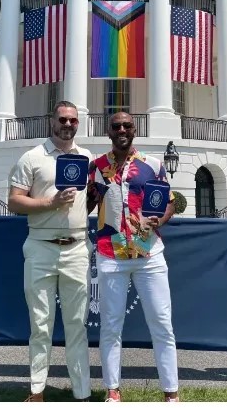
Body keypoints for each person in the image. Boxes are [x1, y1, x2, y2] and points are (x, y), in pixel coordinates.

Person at [87, 112, 180, 402]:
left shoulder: (152, 165)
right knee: (111, 325)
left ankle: (171, 393)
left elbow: (169, 203)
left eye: (127, 126)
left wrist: (159, 221)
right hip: (110, 254)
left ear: (135, 130)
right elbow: (88, 204)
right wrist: (84, 193)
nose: (122, 130)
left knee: (162, 323)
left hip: (148, 251)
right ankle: (113, 390)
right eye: (117, 127)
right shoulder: (97, 167)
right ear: (109, 132)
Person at [7, 101, 93, 402]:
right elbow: (14, 202)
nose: (67, 124)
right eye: (62, 119)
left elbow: (89, 200)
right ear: (51, 121)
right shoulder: (32, 158)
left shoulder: (86, 157)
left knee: (77, 324)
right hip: (41, 247)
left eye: (72, 120)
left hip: (77, 247)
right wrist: (50, 203)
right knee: (40, 324)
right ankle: (37, 389)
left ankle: (82, 392)